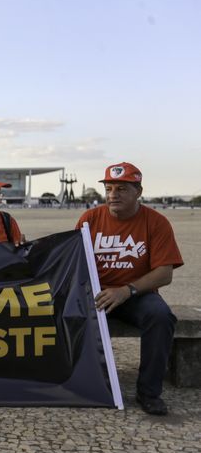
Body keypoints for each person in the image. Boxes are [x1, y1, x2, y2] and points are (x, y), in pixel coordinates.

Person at [77, 162, 183, 416]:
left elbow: (164, 273)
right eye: (110, 188)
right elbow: (74, 258)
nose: (114, 194)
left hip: (136, 294)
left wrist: (126, 290)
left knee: (160, 317)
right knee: (64, 312)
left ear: (139, 191)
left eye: (122, 189)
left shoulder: (156, 222)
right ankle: (82, 383)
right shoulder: (90, 219)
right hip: (97, 293)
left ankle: (149, 392)